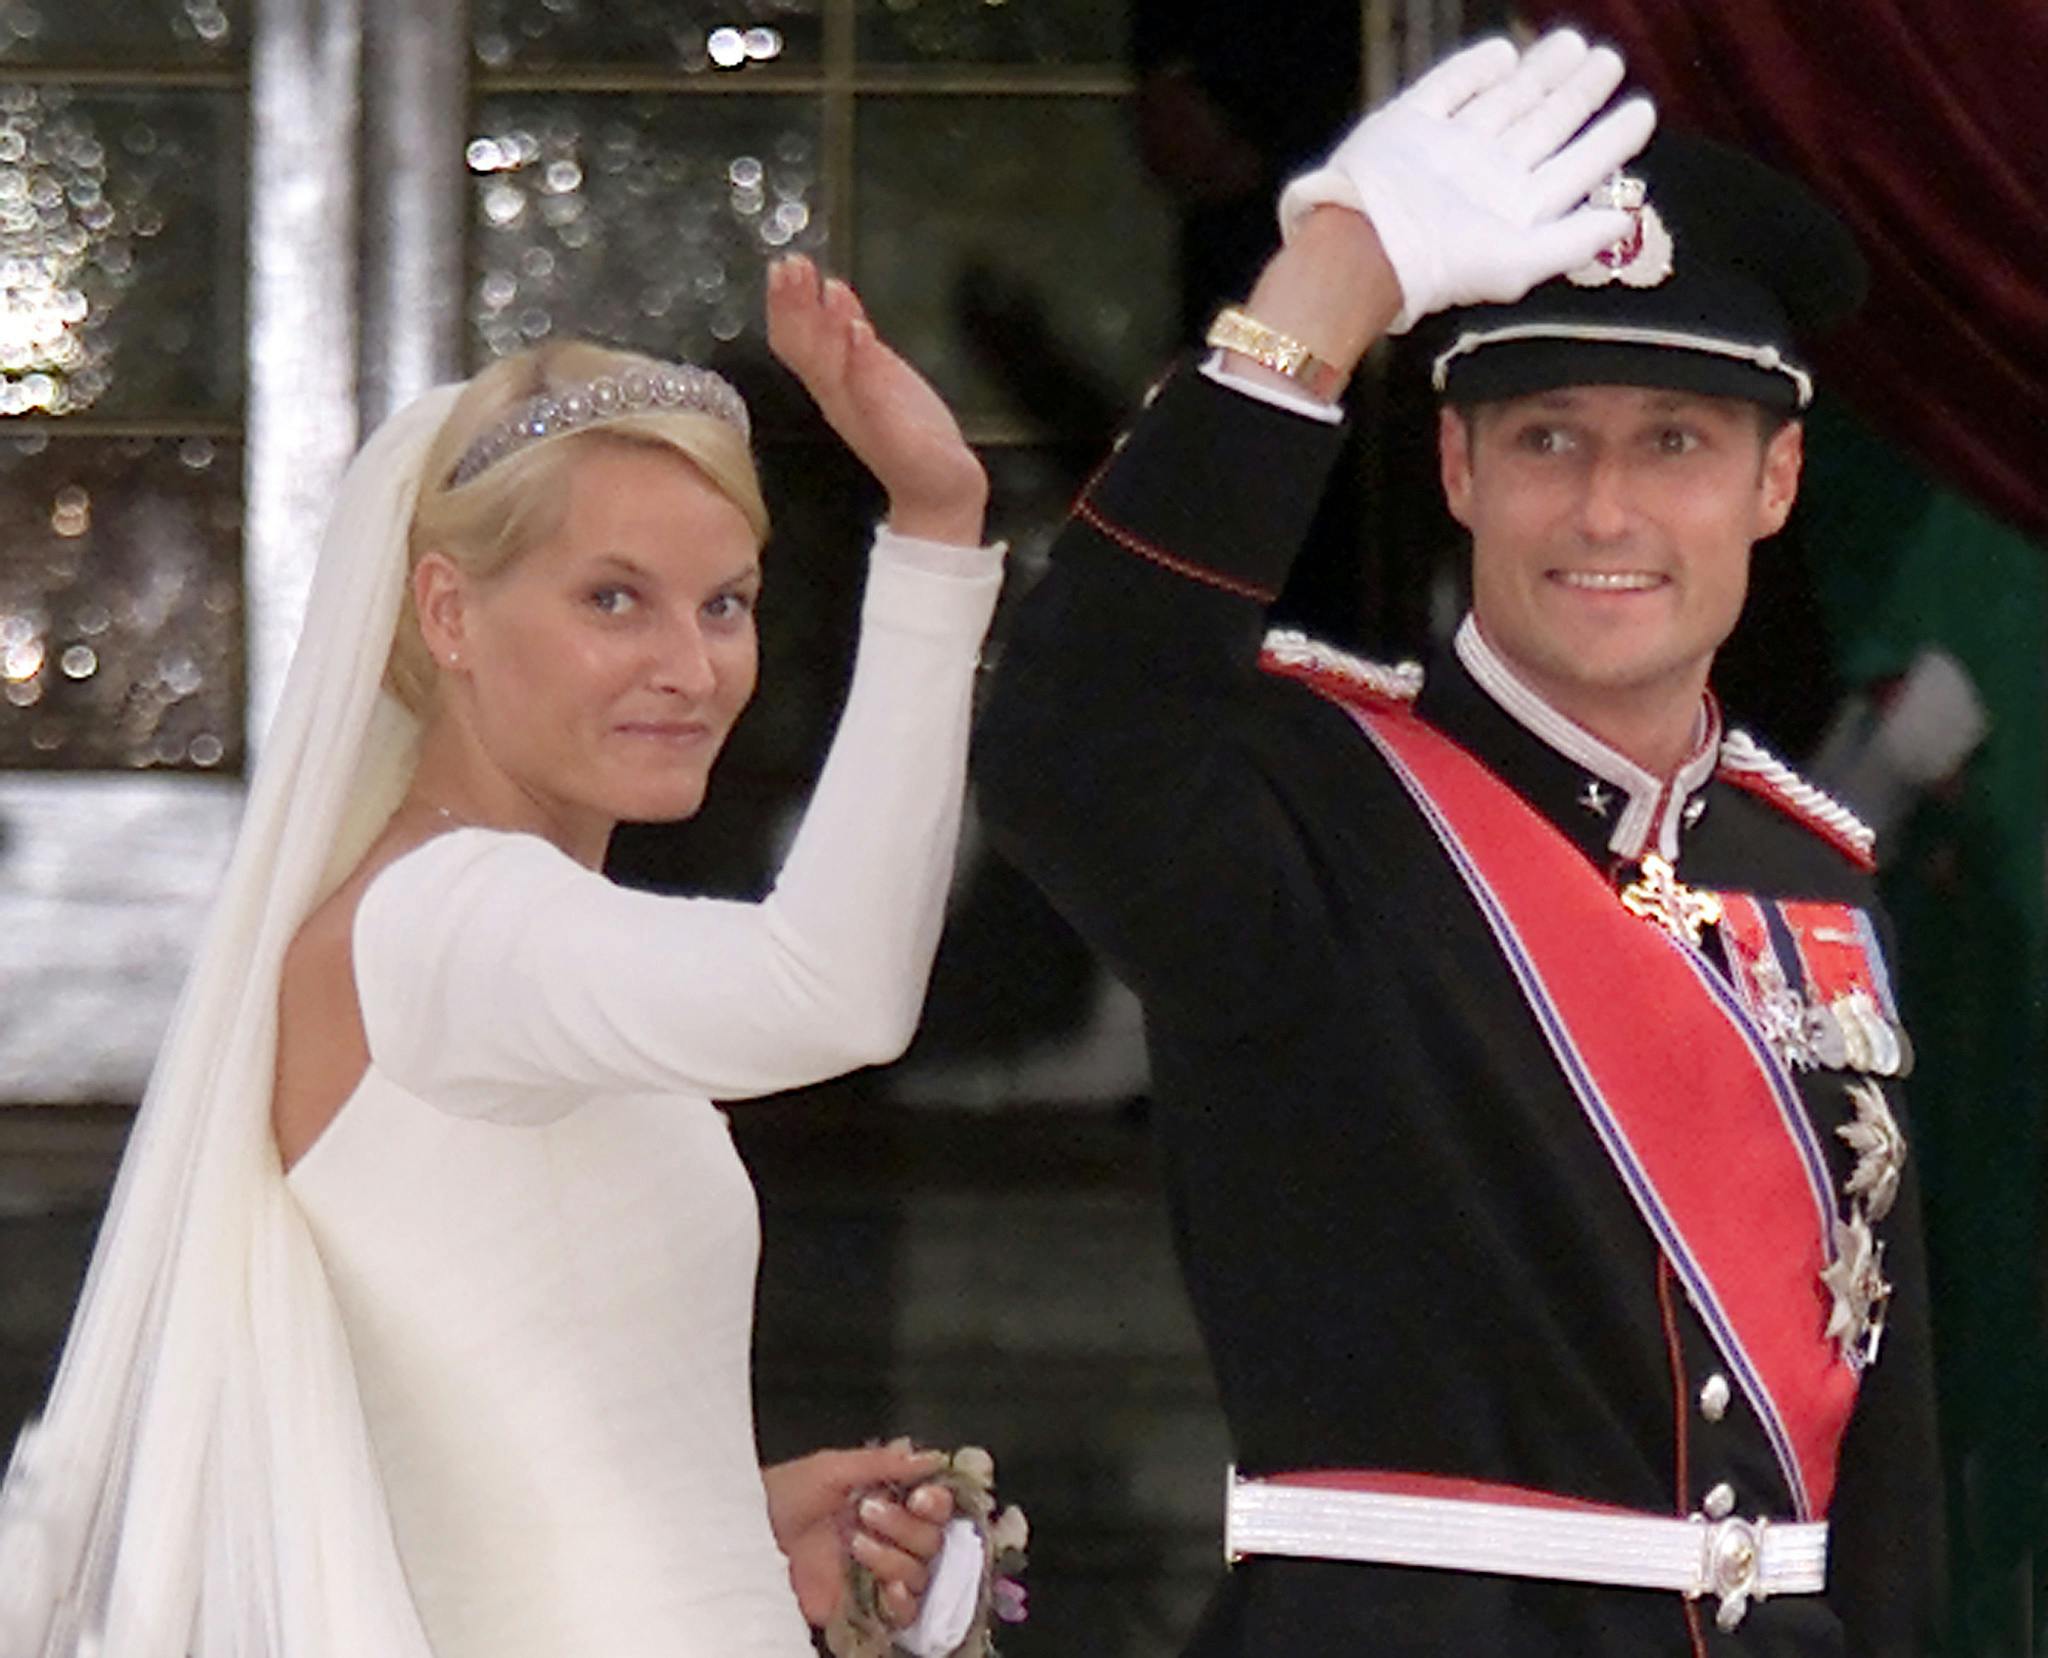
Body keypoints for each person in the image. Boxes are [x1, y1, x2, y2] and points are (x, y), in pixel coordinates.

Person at [976, 30, 1940, 1658]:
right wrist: (1332, 282)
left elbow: (1881, 1453)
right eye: (1548, 437)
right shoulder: (1307, 792)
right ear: (1455, 464)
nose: (1606, 512)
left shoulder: (1812, 873)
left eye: (1676, 443)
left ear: (1777, 479)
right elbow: (1073, 744)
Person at [0, 256, 1003, 1658]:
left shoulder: (499, 931)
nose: (691, 663)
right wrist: (939, 527)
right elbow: (835, 987)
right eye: (614, 599)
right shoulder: (450, 921)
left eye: (727, 602)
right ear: (448, 612)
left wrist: (733, 1531)